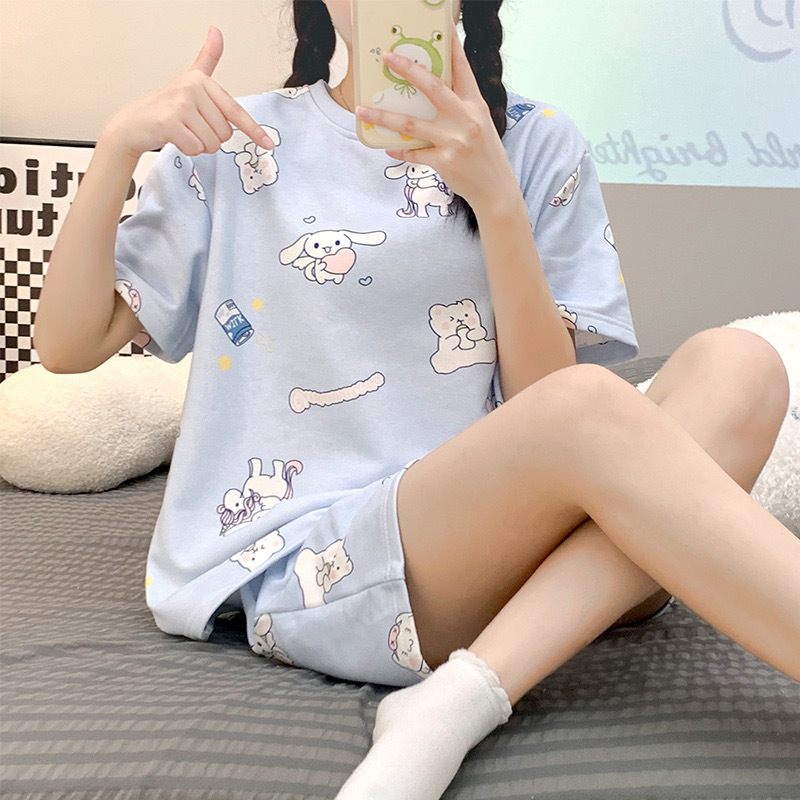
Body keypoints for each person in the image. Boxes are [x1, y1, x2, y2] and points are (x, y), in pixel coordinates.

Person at [33, 1, 798, 798]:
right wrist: (118, 148)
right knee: (593, 406)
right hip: (335, 563)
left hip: (519, 543)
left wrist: (496, 199)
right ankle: (465, 693)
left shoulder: (539, 141)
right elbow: (67, 345)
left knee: (742, 365)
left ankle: (459, 697)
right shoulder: (237, 141)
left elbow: (544, 408)